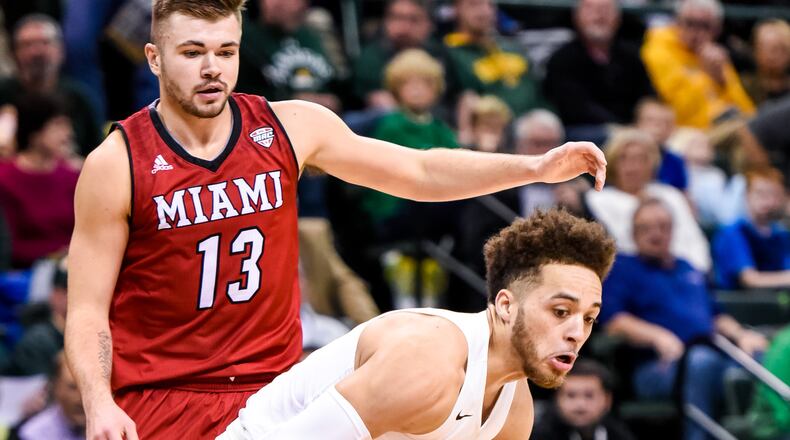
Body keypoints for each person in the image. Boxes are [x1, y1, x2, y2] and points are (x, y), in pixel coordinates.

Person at [64, 1, 610, 439]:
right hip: (164, 397)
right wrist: (98, 403)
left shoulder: (292, 126)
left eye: (225, 51)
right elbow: (88, 311)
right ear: (154, 58)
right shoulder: (117, 164)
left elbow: (417, 170)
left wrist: (532, 167)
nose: (212, 68)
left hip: (277, 389)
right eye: (192, 52)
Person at [219, 209, 616, 439]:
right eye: (561, 312)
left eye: (589, 318)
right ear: (506, 305)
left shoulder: (514, 410)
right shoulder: (427, 360)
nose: (577, 333)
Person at [600, 198, 768, 440]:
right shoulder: (623, 268)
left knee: (761, 357)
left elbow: (717, 316)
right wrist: (658, 336)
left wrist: (742, 335)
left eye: (662, 226)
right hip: (657, 366)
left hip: (709, 354)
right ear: (633, 233)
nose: (655, 234)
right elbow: (615, 321)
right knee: (700, 362)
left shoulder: (688, 268)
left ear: (672, 230)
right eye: (645, 228)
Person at [585, 128, 710, 271]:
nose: (632, 167)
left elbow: (694, 242)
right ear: (612, 163)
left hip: (682, 276)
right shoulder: (596, 200)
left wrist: (694, 275)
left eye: (640, 159)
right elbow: (620, 247)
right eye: (623, 158)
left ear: (652, 164)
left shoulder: (671, 195)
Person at [641, 0, 755, 129]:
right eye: (690, 23)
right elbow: (679, 108)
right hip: (684, 130)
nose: (696, 32)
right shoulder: (659, 48)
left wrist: (720, 81)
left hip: (726, 128)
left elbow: (746, 110)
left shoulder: (713, 54)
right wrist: (707, 75)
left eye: (705, 25)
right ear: (677, 22)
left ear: (717, 29)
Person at [0, 14, 102, 156]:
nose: (37, 52)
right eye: (27, 44)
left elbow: (98, 153)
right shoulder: (3, 94)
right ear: (13, 53)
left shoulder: (80, 98)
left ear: (61, 50)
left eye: (45, 43)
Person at [543, 0, 654, 129]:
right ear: (576, 17)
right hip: (581, 132)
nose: (600, 15)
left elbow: (647, 96)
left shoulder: (631, 56)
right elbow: (576, 108)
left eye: (606, 9)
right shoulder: (563, 59)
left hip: (631, 131)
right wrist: (621, 128)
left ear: (618, 17)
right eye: (591, 9)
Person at [0, 93, 79, 269]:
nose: (67, 134)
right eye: (58, 125)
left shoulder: (73, 175)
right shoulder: (4, 178)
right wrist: (55, 254)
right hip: (23, 275)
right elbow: (9, 246)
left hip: (72, 267)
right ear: (35, 130)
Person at [353, 0, 438, 110]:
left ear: (428, 24)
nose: (405, 27)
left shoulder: (440, 55)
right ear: (385, 21)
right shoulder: (370, 58)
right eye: (397, 18)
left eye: (414, 19)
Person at [713, 167, 790, 289]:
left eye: (774, 194)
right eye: (760, 193)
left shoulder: (781, 235)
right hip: (739, 304)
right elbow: (749, 279)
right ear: (746, 195)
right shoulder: (733, 233)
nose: (767, 201)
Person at [530, 360, 636, 440]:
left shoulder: (620, 435)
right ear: (557, 399)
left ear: (607, 400)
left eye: (589, 395)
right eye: (571, 395)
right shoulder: (538, 435)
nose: (580, 404)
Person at [10, 351, 85, 440]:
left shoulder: (103, 428)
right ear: (55, 386)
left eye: (88, 388)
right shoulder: (31, 435)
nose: (81, 397)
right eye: (73, 387)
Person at [634, 98, 689, 191]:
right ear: (637, 124)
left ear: (672, 130)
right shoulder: (622, 154)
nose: (657, 127)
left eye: (665, 122)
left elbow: (683, 193)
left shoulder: (675, 161)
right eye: (650, 120)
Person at [742, 19, 790, 106]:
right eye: (764, 48)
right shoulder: (743, 85)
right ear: (755, 50)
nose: (771, 56)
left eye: (777, 48)